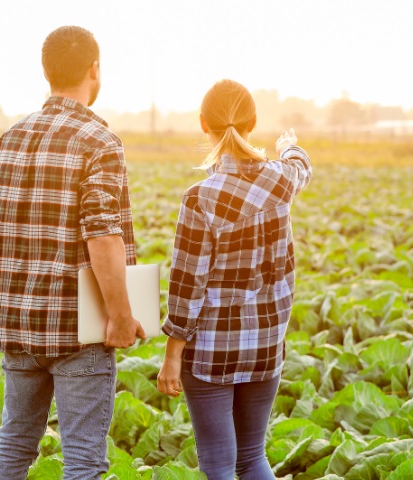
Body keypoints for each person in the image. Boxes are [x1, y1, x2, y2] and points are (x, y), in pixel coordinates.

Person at [0, 25, 145, 480]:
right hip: (79, 328)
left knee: (14, 444)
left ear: (46, 72)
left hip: (16, 324)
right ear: (94, 69)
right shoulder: (99, 142)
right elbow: (103, 235)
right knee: (84, 459)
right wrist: (120, 314)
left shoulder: (5, 142)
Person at [157, 79, 312, 479]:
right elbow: (301, 166)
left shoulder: (200, 198)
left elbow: (186, 285)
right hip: (266, 344)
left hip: (210, 352)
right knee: (252, 459)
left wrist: (173, 355)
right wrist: (289, 146)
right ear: (253, 123)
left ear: (203, 124)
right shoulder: (282, 180)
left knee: (220, 466)